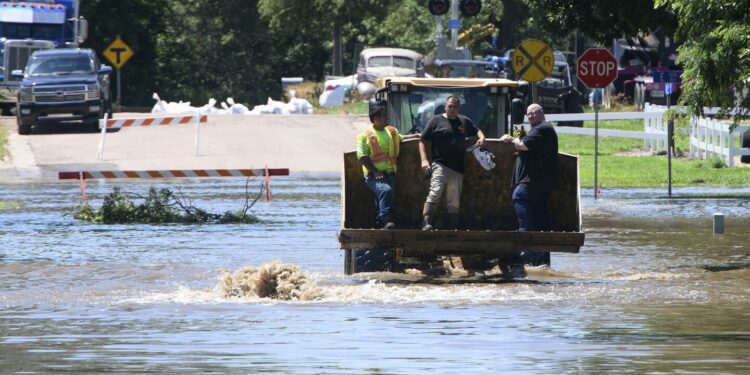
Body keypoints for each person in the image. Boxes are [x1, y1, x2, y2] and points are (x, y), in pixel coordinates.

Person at [500, 103, 559, 266]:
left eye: (534, 113)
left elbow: (523, 145)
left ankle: (524, 240)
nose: (531, 116)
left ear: (542, 112)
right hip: (540, 181)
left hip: (534, 180)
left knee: (520, 196)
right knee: (539, 214)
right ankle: (539, 260)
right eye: (529, 114)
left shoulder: (543, 128)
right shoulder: (540, 130)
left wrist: (510, 139)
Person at [419, 96, 485, 230]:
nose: (452, 109)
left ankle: (452, 227)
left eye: (455, 106)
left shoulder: (464, 120)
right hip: (440, 164)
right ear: (445, 106)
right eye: (450, 106)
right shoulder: (435, 121)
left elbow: (476, 130)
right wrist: (424, 160)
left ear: (459, 107)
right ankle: (426, 222)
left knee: (454, 199)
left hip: (458, 167)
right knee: (435, 191)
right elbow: (422, 140)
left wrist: (482, 138)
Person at [356, 98, 418, 229]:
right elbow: (361, 156)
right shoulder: (364, 136)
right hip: (374, 175)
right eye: (383, 116)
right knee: (385, 190)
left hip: (390, 173)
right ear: (375, 118)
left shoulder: (391, 131)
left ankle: (380, 225)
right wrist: (375, 171)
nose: (386, 118)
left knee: (383, 198)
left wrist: (418, 136)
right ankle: (387, 220)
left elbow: (403, 138)